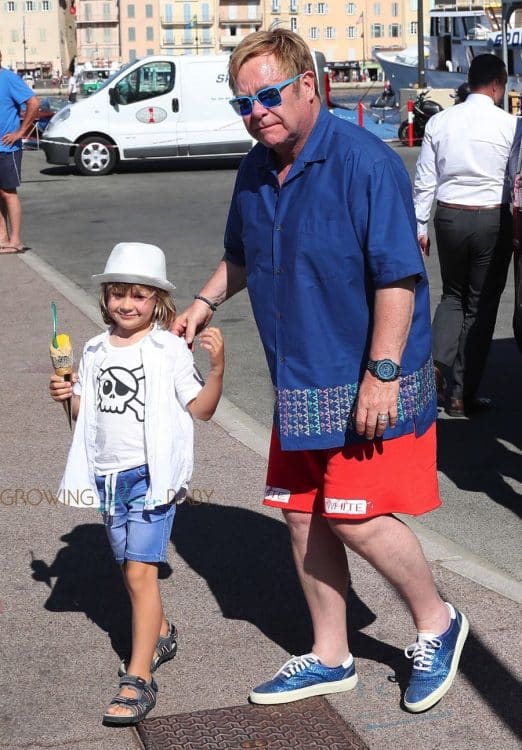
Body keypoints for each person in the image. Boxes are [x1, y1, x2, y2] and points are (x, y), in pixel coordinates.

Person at [174, 29, 468, 714]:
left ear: (309, 84)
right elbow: (240, 254)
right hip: (299, 381)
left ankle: (438, 623)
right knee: (305, 518)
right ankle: (331, 655)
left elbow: (399, 276)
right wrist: (200, 303)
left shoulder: (366, 163)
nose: (258, 112)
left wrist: (383, 373)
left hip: (366, 376)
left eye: (269, 95)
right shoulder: (255, 167)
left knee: (357, 516)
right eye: (243, 102)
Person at [49, 242, 224, 725]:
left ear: (158, 302)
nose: (127, 304)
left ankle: (140, 675)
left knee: (139, 573)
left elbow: (202, 410)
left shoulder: (168, 348)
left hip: (151, 476)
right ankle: (162, 631)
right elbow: (85, 418)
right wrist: (66, 394)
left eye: (138, 296)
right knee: (128, 566)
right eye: (118, 294)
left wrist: (219, 369)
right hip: (108, 474)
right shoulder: (93, 349)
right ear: (105, 297)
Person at [414, 54, 517, 417]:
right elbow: (515, 182)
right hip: (491, 218)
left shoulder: (440, 121)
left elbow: (425, 176)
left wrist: (420, 225)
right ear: (496, 85)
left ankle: (431, 371)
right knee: (481, 305)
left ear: (469, 81)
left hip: (449, 215)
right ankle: (461, 393)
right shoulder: (510, 125)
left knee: (452, 296)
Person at [0, 50, 39, 254]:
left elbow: (33, 102)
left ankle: (16, 240)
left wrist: (20, 132)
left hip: (7, 147)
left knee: (8, 192)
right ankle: (2, 238)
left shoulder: (8, 78)